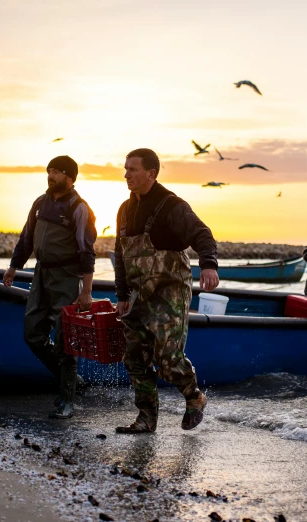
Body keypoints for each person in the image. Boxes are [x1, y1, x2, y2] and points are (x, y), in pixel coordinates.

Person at [113, 148, 219, 434]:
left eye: (133, 169)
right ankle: (146, 418)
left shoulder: (171, 205)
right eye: (126, 169)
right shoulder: (124, 209)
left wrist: (208, 265)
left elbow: (202, 234)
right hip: (138, 295)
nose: (127, 174)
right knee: (134, 357)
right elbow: (119, 255)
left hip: (169, 291)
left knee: (168, 359)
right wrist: (121, 295)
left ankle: (194, 397)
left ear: (151, 173)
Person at [2, 155, 97, 418]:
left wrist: (86, 291)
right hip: (40, 274)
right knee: (32, 333)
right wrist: (13, 266)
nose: (51, 176)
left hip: (66, 277)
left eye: (56, 172)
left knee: (65, 339)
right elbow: (26, 237)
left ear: (70, 177)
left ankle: (67, 400)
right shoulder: (40, 203)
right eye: (49, 171)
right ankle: (73, 381)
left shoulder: (79, 208)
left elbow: (87, 252)